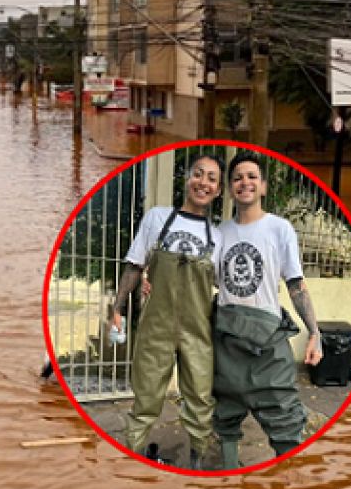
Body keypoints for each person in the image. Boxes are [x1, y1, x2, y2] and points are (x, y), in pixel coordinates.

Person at [110, 153, 224, 470]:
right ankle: (130, 462)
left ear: (218, 190)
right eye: (198, 174)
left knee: (200, 403)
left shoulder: (219, 237)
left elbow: (225, 289)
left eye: (212, 178)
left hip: (197, 333)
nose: (203, 182)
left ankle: (197, 464)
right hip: (155, 328)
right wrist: (117, 308)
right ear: (187, 179)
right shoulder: (157, 218)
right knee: (145, 401)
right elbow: (134, 266)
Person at [212, 152, 324, 469]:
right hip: (227, 338)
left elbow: (296, 285)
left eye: (251, 177)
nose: (244, 182)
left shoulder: (279, 228)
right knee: (226, 412)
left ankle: (285, 487)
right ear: (230, 189)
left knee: (284, 416)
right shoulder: (219, 233)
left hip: (267, 338)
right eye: (237, 178)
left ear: (262, 187)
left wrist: (315, 333)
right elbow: (205, 279)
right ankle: (229, 473)